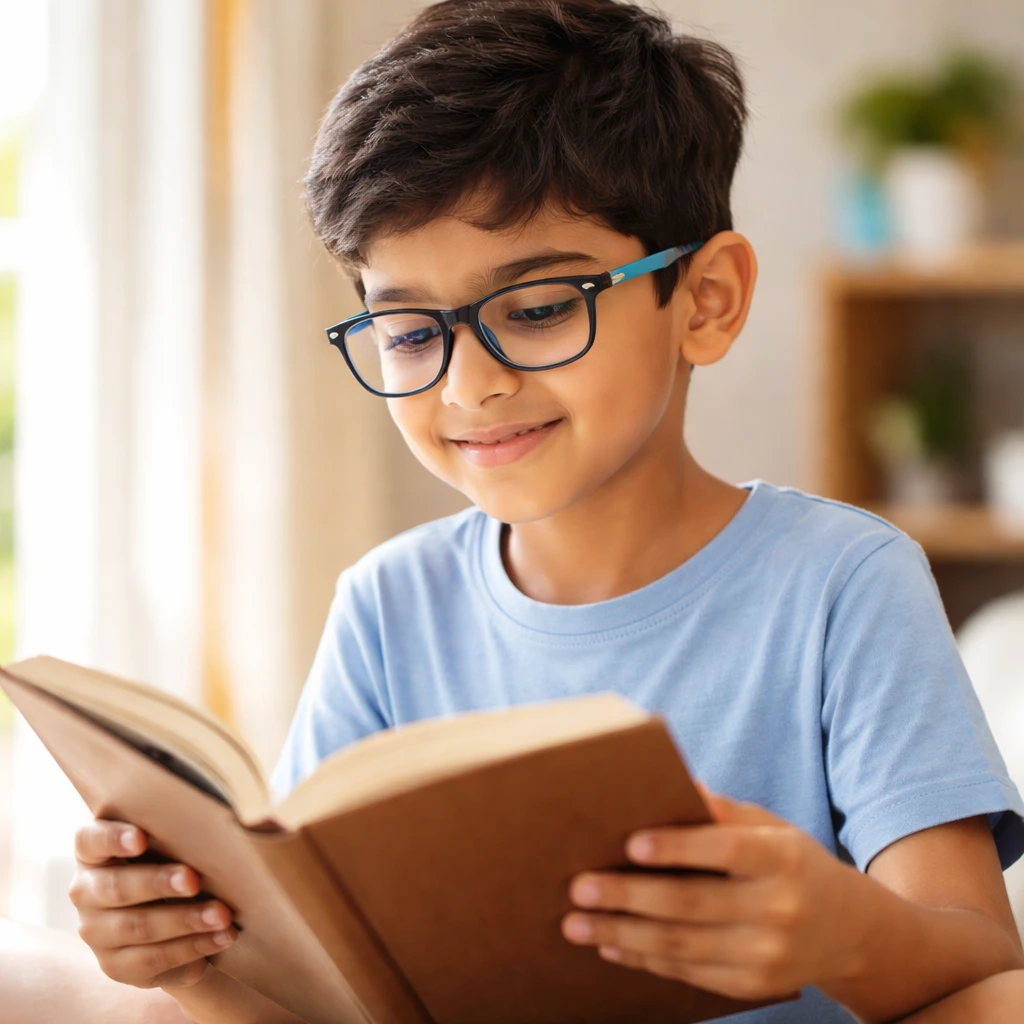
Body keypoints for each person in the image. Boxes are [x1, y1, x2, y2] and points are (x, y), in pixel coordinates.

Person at [64, 1, 1024, 1021]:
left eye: (534, 310)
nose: (466, 387)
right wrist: (187, 949)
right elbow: (323, 969)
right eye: (406, 331)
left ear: (704, 300)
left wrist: (841, 928)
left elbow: (979, 959)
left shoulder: (841, 581)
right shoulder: (390, 604)